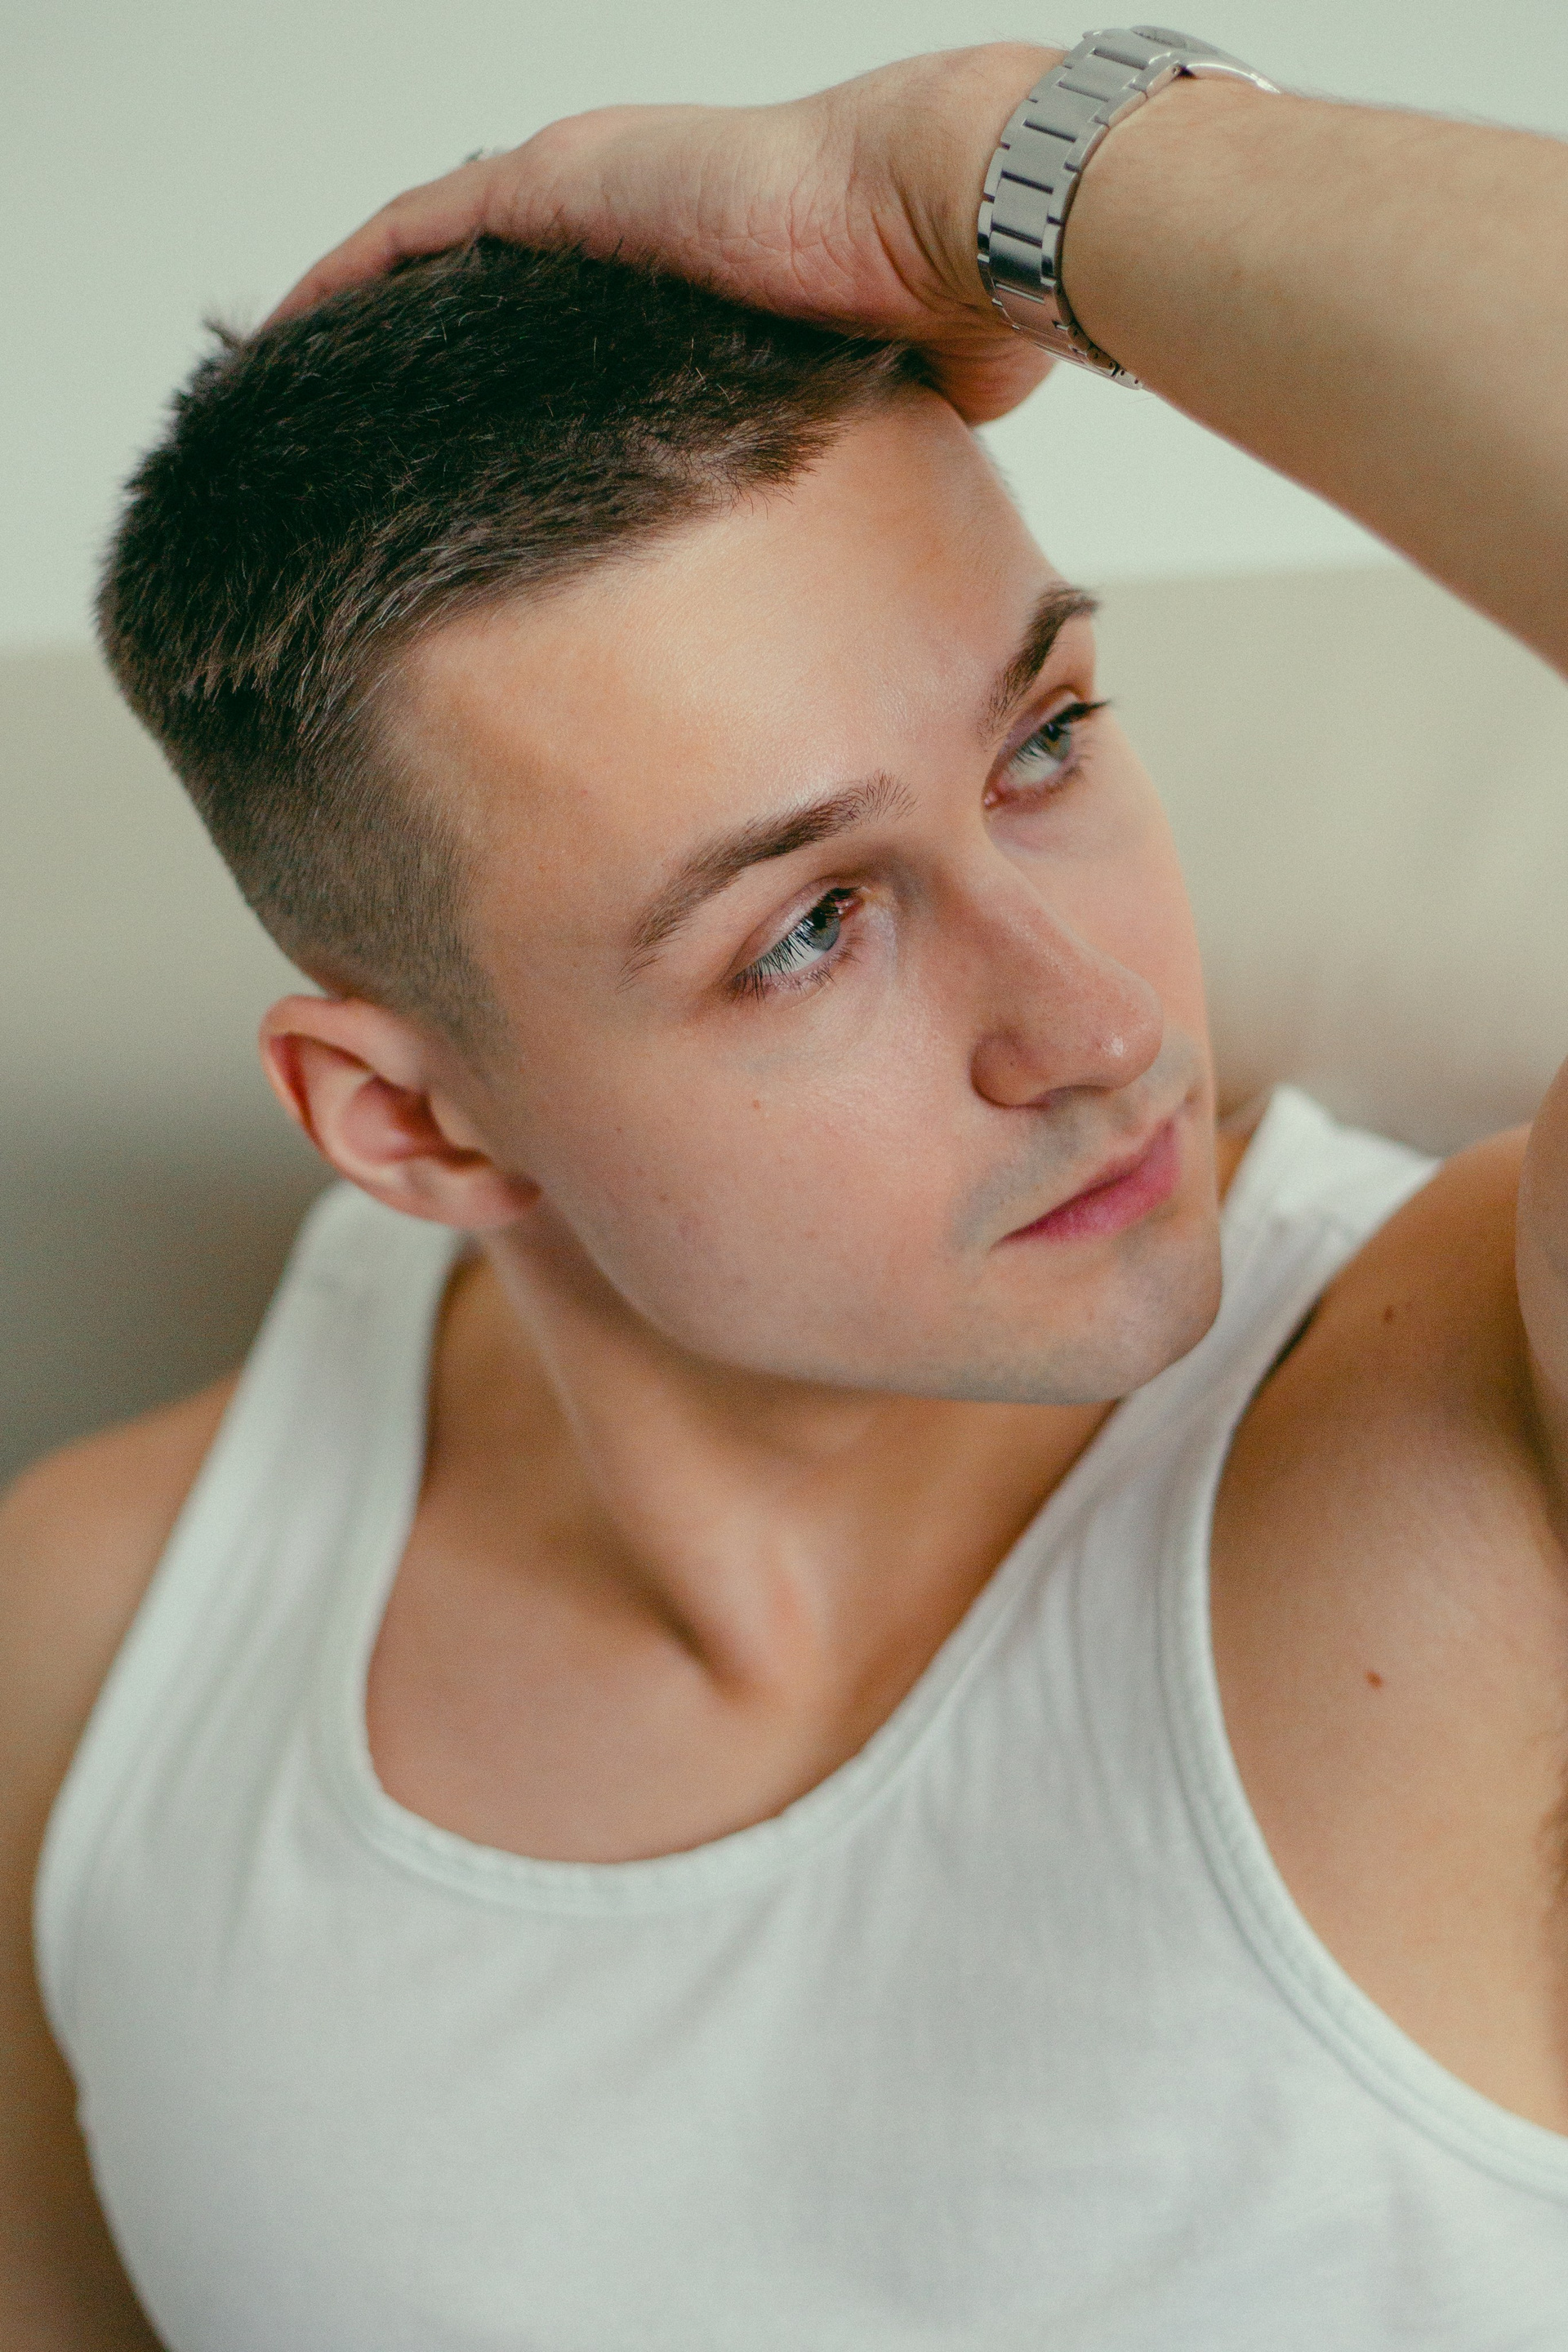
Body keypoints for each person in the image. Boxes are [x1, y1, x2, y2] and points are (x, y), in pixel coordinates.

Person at [4, 24, 1568, 2348]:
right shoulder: (94, 1656)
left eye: (1043, 743)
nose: (1100, 1028)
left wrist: (984, 167)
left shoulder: (1474, 1431)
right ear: (413, 1124)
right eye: (810, 929)